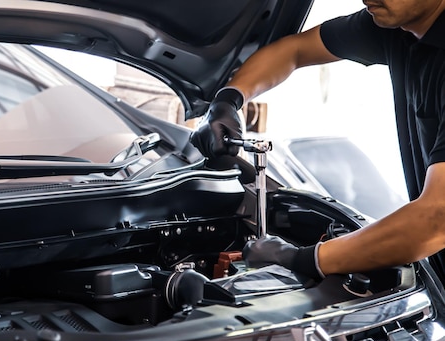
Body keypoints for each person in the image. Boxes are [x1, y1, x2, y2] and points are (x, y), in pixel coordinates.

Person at [190, 0, 445, 280]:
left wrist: (301, 258)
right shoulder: (397, 29)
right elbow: (295, 50)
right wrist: (228, 100)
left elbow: (436, 219)